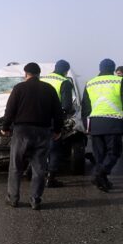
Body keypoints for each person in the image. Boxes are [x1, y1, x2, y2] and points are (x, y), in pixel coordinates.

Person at [1, 62, 64, 210]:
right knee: (39, 168)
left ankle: (13, 198)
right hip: (42, 132)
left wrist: (5, 127)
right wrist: (57, 130)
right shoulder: (49, 89)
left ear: (25, 74)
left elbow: (9, 110)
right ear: (39, 74)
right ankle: (35, 200)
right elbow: (58, 113)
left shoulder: (19, 88)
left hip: (22, 131)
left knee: (16, 166)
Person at [82, 59, 123, 191]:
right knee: (114, 152)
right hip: (113, 122)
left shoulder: (90, 83)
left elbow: (85, 107)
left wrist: (87, 126)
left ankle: (103, 181)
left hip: (95, 123)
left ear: (100, 68)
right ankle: (98, 175)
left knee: (100, 155)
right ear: (113, 69)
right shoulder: (119, 81)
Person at [39, 60, 75, 188]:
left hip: (36, 119)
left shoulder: (42, 79)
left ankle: (32, 173)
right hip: (52, 119)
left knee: (38, 148)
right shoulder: (64, 82)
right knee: (54, 148)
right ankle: (51, 177)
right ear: (66, 71)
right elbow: (66, 106)